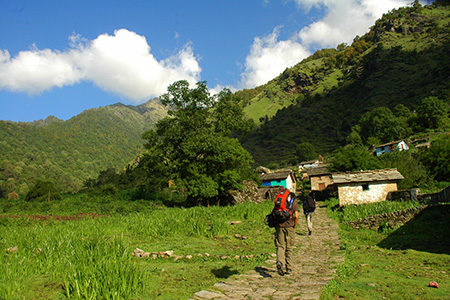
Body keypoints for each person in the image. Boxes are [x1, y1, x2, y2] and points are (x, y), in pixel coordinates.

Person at [274, 192, 299, 276]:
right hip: (289, 227)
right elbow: (296, 216)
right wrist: (295, 226)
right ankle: (289, 267)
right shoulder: (294, 204)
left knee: (280, 245)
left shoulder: (279, 203)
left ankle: (280, 262)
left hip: (280, 226)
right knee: (289, 247)